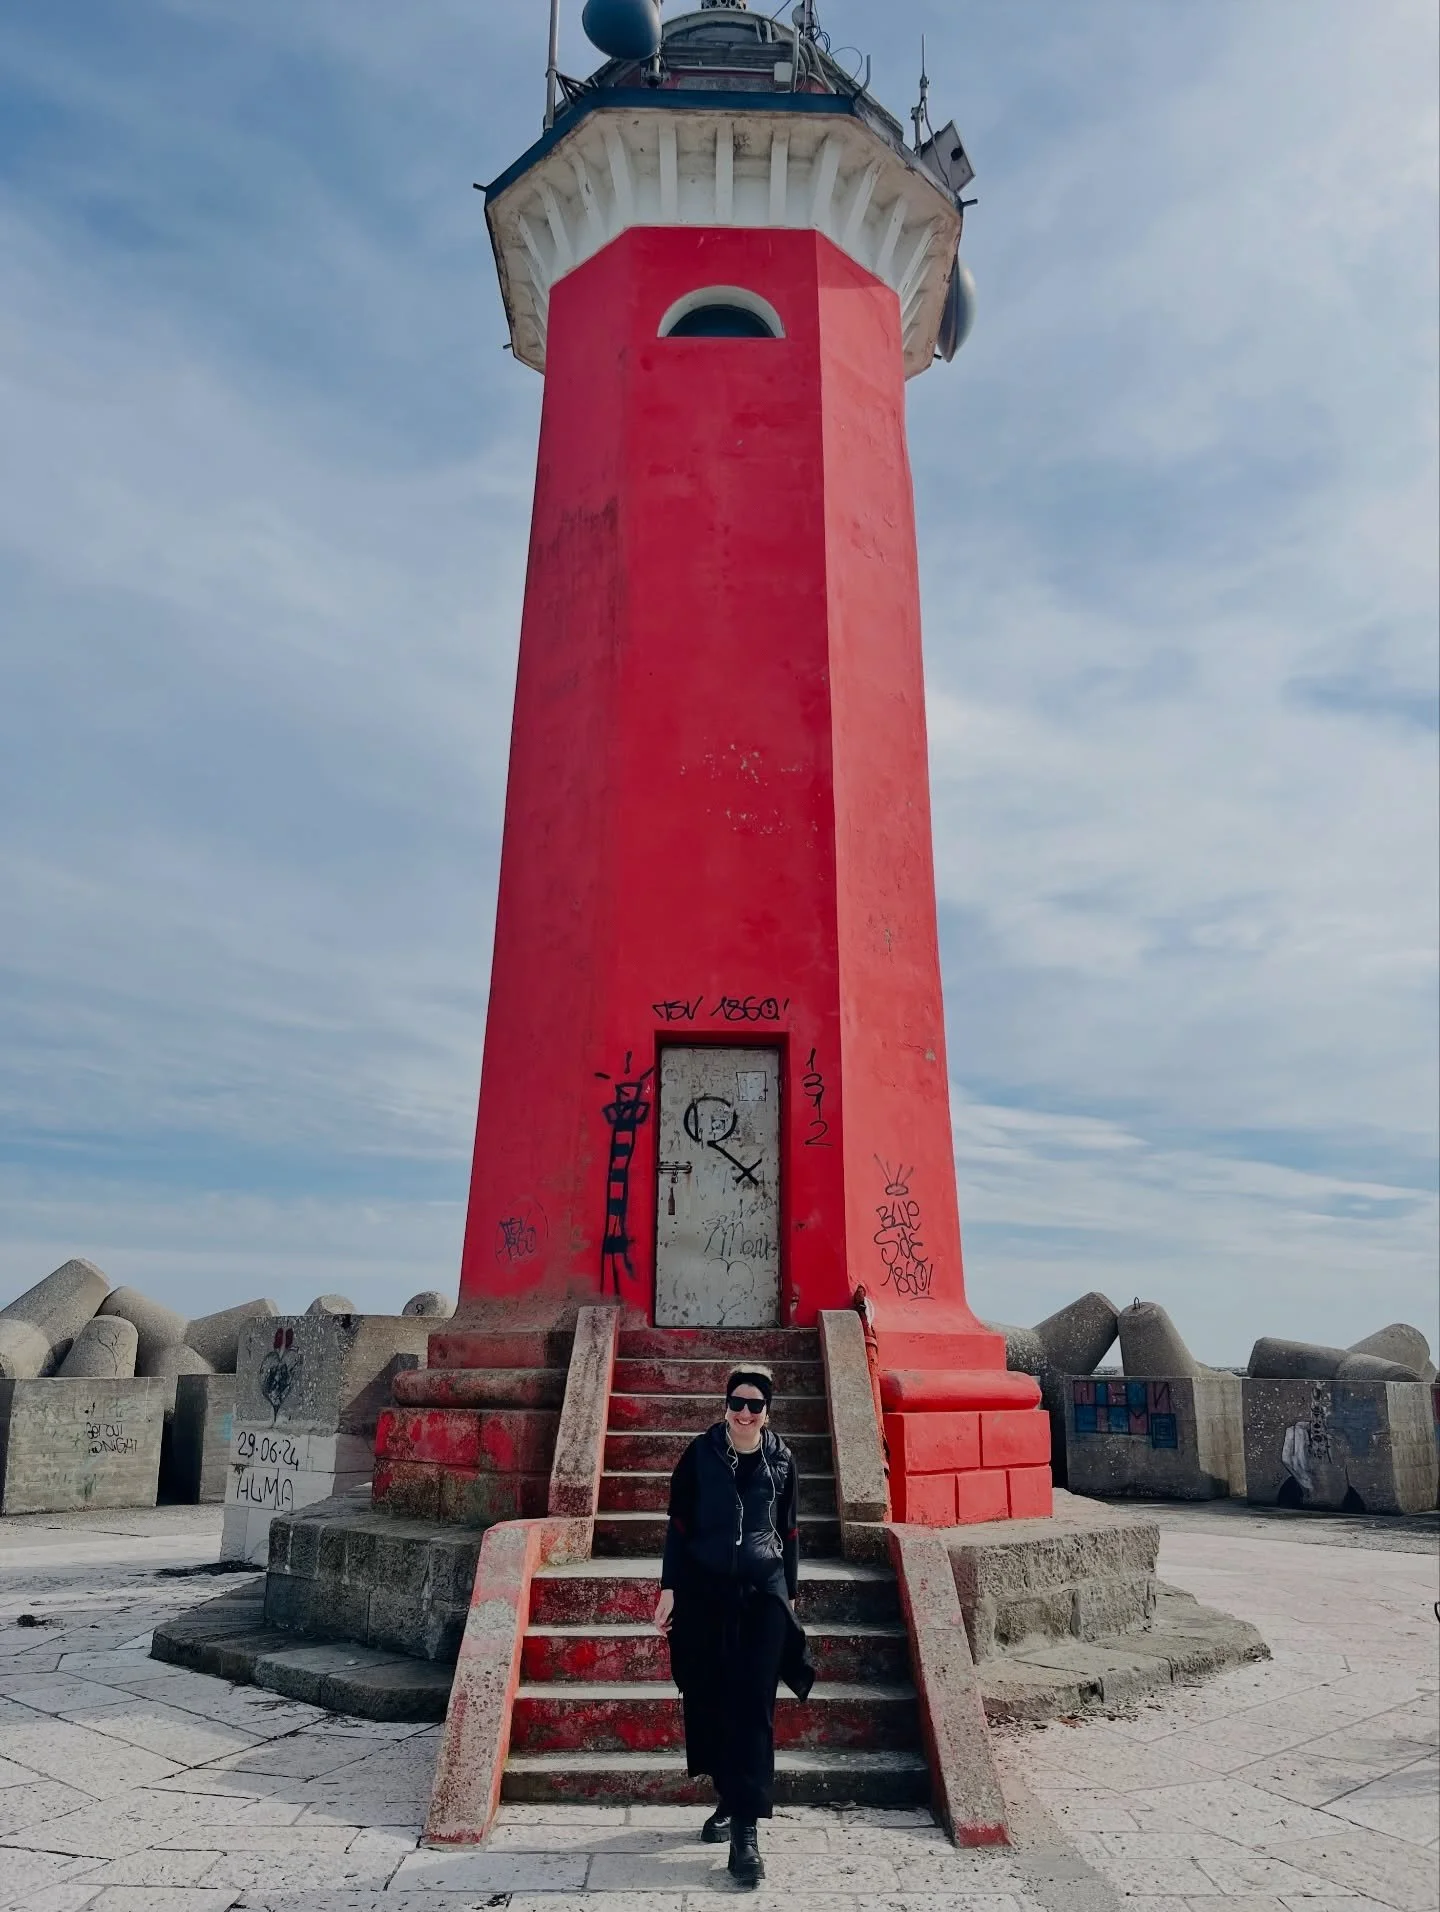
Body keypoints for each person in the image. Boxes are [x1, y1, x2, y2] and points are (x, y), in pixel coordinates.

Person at [653, 1363, 814, 1889]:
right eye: (737, 1403)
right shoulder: (698, 1456)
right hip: (704, 1595)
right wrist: (669, 1588)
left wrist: (789, 1593)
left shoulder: (783, 1460)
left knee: (753, 1709)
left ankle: (746, 1831)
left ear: (768, 1411)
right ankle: (728, 1794)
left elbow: (788, 1530)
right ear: (725, 1405)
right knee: (709, 1697)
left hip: (761, 1597)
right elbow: (678, 1527)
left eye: (755, 1405)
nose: (745, 1413)